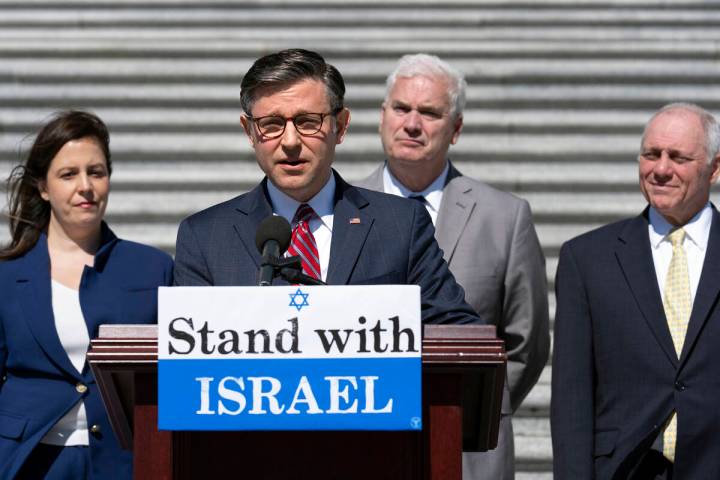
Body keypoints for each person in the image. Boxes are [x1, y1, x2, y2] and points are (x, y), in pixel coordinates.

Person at [173, 48, 479, 326]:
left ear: (341, 126)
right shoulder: (204, 237)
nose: (290, 142)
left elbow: (458, 333)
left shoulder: (401, 225)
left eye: (308, 122)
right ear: (250, 132)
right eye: (271, 124)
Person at [357, 53, 549, 480]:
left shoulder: (505, 217)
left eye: (429, 112)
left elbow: (526, 344)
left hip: (468, 452)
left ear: (456, 128)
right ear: (381, 117)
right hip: (363, 444)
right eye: (402, 108)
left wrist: (471, 408)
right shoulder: (336, 209)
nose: (412, 124)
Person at [0, 111, 174, 479]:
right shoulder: (6, 275)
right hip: (28, 461)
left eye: (96, 172)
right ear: (43, 188)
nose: (86, 186)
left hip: (122, 463)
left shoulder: (153, 268)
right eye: (68, 174)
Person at [551, 103, 720, 479]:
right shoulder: (587, 259)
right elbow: (572, 398)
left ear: (715, 167)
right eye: (651, 154)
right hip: (626, 469)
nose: (661, 169)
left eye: (678, 157)